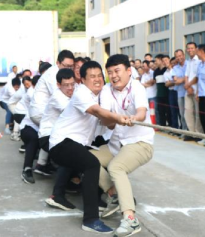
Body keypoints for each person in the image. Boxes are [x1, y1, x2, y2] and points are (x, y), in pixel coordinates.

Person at [49, 61, 130, 234]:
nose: (97, 79)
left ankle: (104, 200)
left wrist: (119, 118)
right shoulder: (81, 93)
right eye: (92, 76)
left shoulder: (100, 96)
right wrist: (118, 117)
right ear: (83, 80)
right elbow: (97, 111)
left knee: (95, 164)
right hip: (61, 143)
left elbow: (107, 125)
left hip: (76, 144)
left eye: (100, 76)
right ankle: (91, 219)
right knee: (92, 164)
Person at [91, 54, 154, 237]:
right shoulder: (106, 90)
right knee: (86, 159)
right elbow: (110, 124)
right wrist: (112, 118)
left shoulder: (137, 87)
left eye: (117, 71)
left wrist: (133, 119)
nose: (114, 76)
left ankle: (130, 220)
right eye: (110, 72)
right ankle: (114, 194)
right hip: (117, 143)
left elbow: (142, 113)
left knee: (115, 167)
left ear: (128, 71)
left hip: (140, 143)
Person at [23, 69, 76, 184]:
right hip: (34, 126)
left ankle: (42, 165)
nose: (70, 87)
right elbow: (74, 112)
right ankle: (29, 168)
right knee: (70, 152)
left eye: (72, 84)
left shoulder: (68, 93)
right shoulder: (57, 96)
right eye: (66, 85)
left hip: (52, 130)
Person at [29, 50, 75, 125]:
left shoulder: (62, 74)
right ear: (58, 63)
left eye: (71, 66)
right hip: (40, 113)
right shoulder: (53, 75)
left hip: (46, 111)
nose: (68, 69)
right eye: (66, 66)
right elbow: (60, 97)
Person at [184, 42, 203, 139]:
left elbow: (198, 76)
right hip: (188, 90)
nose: (190, 50)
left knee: (197, 113)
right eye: (188, 48)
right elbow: (186, 75)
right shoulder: (188, 61)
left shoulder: (199, 61)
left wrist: (189, 85)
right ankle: (191, 133)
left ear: (196, 49)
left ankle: (198, 133)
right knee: (188, 112)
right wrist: (187, 86)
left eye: (192, 48)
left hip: (197, 90)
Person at [172, 49, 189, 138]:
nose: (179, 58)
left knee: (190, 114)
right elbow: (176, 81)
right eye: (177, 56)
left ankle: (192, 133)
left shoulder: (189, 64)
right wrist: (185, 79)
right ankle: (184, 132)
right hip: (180, 93)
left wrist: (181, 79)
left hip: (190, 93)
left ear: (183, 55)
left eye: (180, 55)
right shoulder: (175, 68)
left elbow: (190, 77)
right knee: (182, 114)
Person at [154, 55, 171, 127]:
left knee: (168, 111)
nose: (155, 62)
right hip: (159, 94)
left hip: (167, 94)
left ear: (161, 60)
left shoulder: (166, 70)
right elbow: (155, 82)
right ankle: (162, 126)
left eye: (156, 60)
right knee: (161, 111)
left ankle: (170, 126)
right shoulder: (155, 71)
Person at [164, 56, 179, 130]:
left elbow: (177, 81)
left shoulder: (177, 70)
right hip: (171, 92)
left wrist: (171, 82)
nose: (173, 64)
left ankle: (182, 128)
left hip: (178, 91)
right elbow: (166, 84)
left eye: (174, 63)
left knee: (180, 111)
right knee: (173, 110)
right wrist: (174, 82)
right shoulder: (165, 73)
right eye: (172, 63)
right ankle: (175, 128)